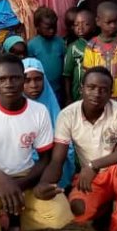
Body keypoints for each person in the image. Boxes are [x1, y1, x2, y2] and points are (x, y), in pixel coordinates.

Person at [37, 67, 117, 231]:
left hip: (115, 171)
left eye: (103, 89)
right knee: (78, 211)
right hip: (92, 179)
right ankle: (106, 212)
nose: (97, 93)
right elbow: (57, 160)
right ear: (81, 88)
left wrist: (94, 165)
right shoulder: (67, 115)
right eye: (91, 87)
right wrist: (44, 183)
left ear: (110, 92)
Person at [0, 54, 73, 231]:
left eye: (15, 78)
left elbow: (45, 158)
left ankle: (13, 216)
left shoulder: (39, 111)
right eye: (2, 79)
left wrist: (19, 185)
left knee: (59, 214)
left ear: (22, 79)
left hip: (25, 177)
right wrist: (1, 179)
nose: (9, 84)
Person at [23, 58, 76, 191]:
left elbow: (63, 141)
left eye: (38, 79)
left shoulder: (52, 108)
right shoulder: (15, 108)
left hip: (52, 162)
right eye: (27, 80)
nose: (33, 85)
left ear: (44, 80)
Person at [82, 2, 117, 109]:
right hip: (99, 98)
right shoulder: (91, 46)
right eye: (109, 22)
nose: (113, 26)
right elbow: (87, 74)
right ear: (98, 21)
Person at [27, 6, 66, 94]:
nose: (52, 31)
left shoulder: (60, 42)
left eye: (54, 27)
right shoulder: (32, 45)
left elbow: (64, 65)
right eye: (48, 28)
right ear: (37, 27)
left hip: (58, 89)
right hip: (41, 90)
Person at [63, 8, 96, 103]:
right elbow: (67, 75)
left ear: (94, 26)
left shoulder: (99, 44)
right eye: (76, 25)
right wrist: (68, 97)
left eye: (85, 24)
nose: (80, 28)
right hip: (78, 93)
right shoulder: (73, 48)